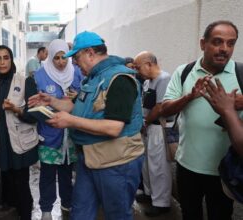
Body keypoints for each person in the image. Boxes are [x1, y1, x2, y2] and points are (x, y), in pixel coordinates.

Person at [29, 31, 144, 220]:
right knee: (80, 212)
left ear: (90, 53)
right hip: (89, 160)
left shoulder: (120, 79)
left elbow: (114, 127)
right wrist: (51, 100)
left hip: (116, 163)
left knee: (117, 215)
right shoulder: (93, 78)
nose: (73, 63)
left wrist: (70, 121)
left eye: (76, 57)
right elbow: (77, 107)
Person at [161, 20, 239, 220]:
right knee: (190, 214)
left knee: (220, 216)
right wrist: (188, 97)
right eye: (217, 42)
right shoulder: (184, 72)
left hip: (225, 170)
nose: (224, 49)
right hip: (187, 165)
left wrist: (236, 104)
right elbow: (165, 109)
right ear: (203, 44)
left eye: (231, 43)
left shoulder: (241, 73)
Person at [0, 45, 39, 220]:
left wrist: (15, 109)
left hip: (20, 143)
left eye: (6, 58)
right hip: (1, 143)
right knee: (8, 182)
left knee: (22, 184)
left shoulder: (25, 82)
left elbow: (35, 115)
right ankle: (15, 212)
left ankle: (25, 216)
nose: (2, 62)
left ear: (11, 60)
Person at [33, 39, 82, 220]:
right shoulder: (40, 75)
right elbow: (34, 103)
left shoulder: (77, 73)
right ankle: (46, 209)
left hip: (70, 135)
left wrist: (77, 97)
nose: (61, 62)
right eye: (56, 58)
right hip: (49, 133)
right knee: (47, 174)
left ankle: (67, 205)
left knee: (67, 174)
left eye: (64, 58)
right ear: (50, 57)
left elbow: (85, 99)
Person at [133, 51, 172, 216]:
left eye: (138, 67)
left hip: (157, 127)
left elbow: (159, 107)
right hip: (147, 126)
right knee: (147, 164)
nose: (136, 70)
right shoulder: (148, 82)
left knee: (158, 165)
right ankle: (150, 194)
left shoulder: (163, 79)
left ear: (149, 64)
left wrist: (146, 121)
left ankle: (162, 202)